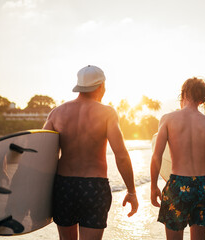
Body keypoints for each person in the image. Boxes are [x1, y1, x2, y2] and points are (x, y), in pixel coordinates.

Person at [43, 65, 138, 240]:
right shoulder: (107, 113)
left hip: (64, 187)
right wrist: (131, 191)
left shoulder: (56, 113)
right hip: (94, 187)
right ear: (101, 86)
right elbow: (121, 155)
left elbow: (43, 155)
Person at [150, 77, 205, 240]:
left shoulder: (168, 119)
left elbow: (157, 155)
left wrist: (153, 186)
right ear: (203, 100)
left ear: (183, 94)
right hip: (204, 186)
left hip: (178, 186)